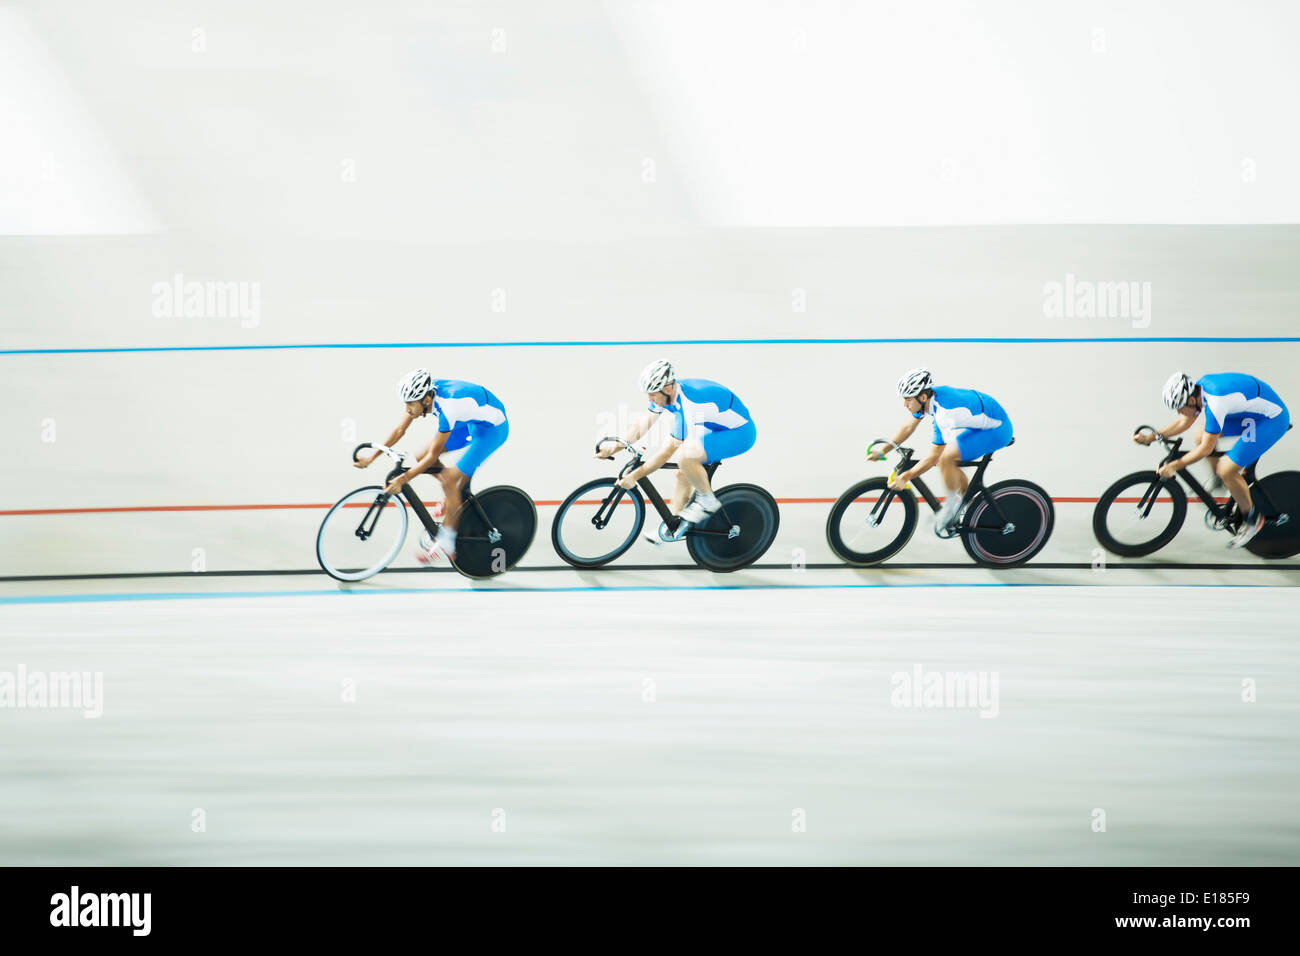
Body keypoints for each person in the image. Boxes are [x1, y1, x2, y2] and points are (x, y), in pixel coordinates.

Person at [355, 368, 509, 562]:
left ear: (426, 401)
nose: (407, 410)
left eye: (410, 405)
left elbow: (433, 456)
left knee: (449, 480)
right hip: (469, 420)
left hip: (492, 430)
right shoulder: (424, 393)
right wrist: (372, 457)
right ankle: (455, 496)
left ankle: (448, 542)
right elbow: (400, 429)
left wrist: (403, 479)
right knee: (421, 457)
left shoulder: (448, 409)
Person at [596, 360, 756, 536]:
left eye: (652, 394)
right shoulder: (667, 392)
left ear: (668, 389)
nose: (650, 399)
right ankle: (675, 525)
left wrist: (634, 476)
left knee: (686, 457)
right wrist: (613, 449)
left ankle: (707, 500)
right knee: (683, 472)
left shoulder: (688, 407)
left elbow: (666, 453)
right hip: (718, 426)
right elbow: (642, 424)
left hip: (739, 433)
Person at [1136, 371, 1290, 548]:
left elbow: (1206, 449)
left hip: (1271, 420)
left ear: (1191, 400)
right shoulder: (1199, 389)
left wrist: (1175, 465)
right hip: (1252, 413)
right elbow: (1184, 422)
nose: (1179, 412)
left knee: (1226, 469)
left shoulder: (1216, 402)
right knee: (1200, 433)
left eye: (1179, 407)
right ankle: (1220, 481)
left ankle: (1252, 519)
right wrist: (1151, 437)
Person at [874, 367, 1014, 531]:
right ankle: (966, 500)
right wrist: (882, 451)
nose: (904, 404)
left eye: (908, 399)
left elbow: (934, 457)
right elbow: (907, 428)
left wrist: (906, 476)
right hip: (984, 422)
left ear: (923, 396)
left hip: (997, 430)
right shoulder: (927, 400)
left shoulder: (944, 414)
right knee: (948, 460)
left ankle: (950, 508)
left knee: (945, 459)